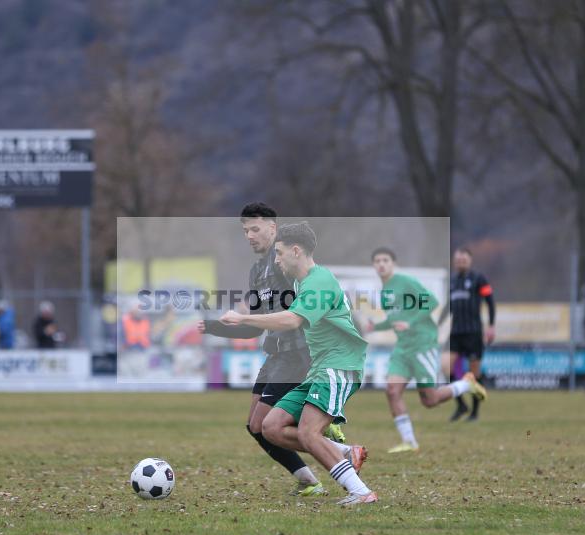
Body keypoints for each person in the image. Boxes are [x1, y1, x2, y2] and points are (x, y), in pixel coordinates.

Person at [220, 221, 375, 506]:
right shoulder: (298, 283)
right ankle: (343, 451)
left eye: (279, 253)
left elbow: (292, 320)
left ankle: (361, 491)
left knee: (307, 431)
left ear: (295, 251)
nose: (276, 260)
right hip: (319, 369)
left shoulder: (319, 280)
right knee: (270, 427)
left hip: (339, 365)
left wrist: (243, 318)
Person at [199, 204, 337, 497]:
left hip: (298, 354)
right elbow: (254, 326)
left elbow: (311, 300)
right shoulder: (256, 271)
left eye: (255, 229)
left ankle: (338, 448)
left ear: (273, 228)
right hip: (276, 355)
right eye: (245, 231)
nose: (249, 236)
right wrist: (213, 327)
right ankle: (309, 479)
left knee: (267, 425)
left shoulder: (287, 262)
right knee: (255, 427)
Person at [367, 248, 487, 453]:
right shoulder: (385, 291)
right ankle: (409, 442)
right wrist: (376, 327)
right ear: (373, 265)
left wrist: (411, 322)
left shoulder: (405, 282)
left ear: (393, 263)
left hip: (422, 343)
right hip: (403, 348)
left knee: (430, 400)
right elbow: (395, 320)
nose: (381, 264)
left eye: (385, 260)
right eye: (377, 261)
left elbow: (431, 302)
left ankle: (467, 384)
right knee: (392, 391)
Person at [443, 247, 496, 422]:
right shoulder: (452, 281)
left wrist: (491, 325)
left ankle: (474, 413)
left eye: (464, 259)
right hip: (456, 332)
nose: (461, 262)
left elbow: (490, 301)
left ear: (470, 261)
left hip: (473, 332)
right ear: (454, 262)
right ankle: (461, 405)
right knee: (446, 368)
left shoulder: (478, 279)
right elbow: (448, 307)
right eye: (458, 260)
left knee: (473, 374)